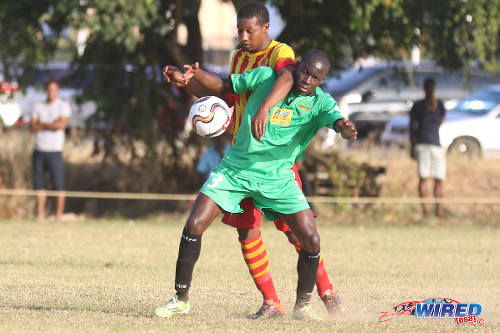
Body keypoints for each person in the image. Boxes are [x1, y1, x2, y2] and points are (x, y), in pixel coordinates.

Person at [162, 1, 343, 318]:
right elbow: (227, 94)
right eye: (239, 30)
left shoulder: (279, 53)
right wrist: (187, 82)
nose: (243, 36)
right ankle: (271, 302)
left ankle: (328, 294)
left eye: (249, 30)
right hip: (240, 157)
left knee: (296, 232)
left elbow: (287, 78)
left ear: (265, 28)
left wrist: (263, 110)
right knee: (245, 232)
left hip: (274, 161)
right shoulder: (239, 57)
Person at [30, 81, 71, 221]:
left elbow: (61, 125)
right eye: (49, 90)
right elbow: (33, 127)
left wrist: (42, 123)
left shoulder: (62, 105)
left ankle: (58, 216)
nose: (51, 92)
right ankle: (40, 216)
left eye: (53, 90)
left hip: (55, 151)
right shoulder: (38, 106)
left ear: (58, 91)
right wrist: (52, 124)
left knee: (58, 185)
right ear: (45, 90)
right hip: (39, 150)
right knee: (39, 185)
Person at [409, 77, 446, 218]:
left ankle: (439, 212)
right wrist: (412, 145)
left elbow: (442, 120)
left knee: (439, 178)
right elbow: (411, 126)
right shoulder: (418, 106)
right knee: (423, 177)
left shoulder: (440, 105)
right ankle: (425, 212)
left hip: (436, 144)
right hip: (422, 144)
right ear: (425, 88)